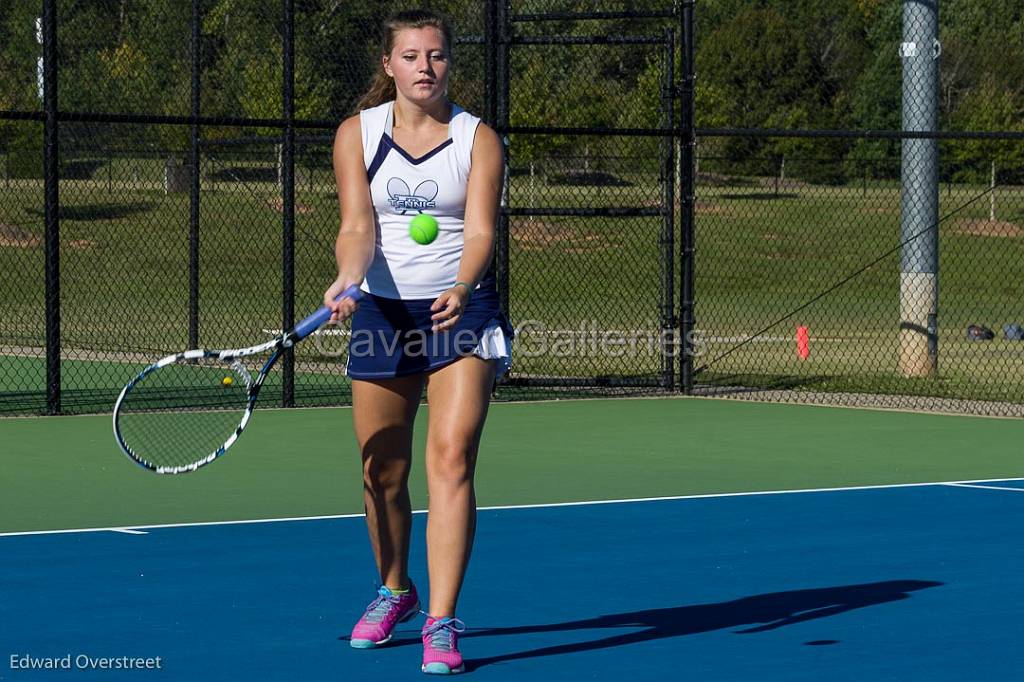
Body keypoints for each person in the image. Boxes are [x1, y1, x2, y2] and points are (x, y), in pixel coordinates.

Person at [322, 8, 512, 676]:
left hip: (459, 313)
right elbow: (355, 225)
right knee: (382, 472)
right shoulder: (357, 134)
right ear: (388, 66)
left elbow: (482, 231)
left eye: (435, 55)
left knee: (452, 459)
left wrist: (462, 284)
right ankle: (395, 590)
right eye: (411, 56)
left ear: (448, 62)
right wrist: (348, 278)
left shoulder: (477, 139)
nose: (425, 67)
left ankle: (441, 620)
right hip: (379, 312)